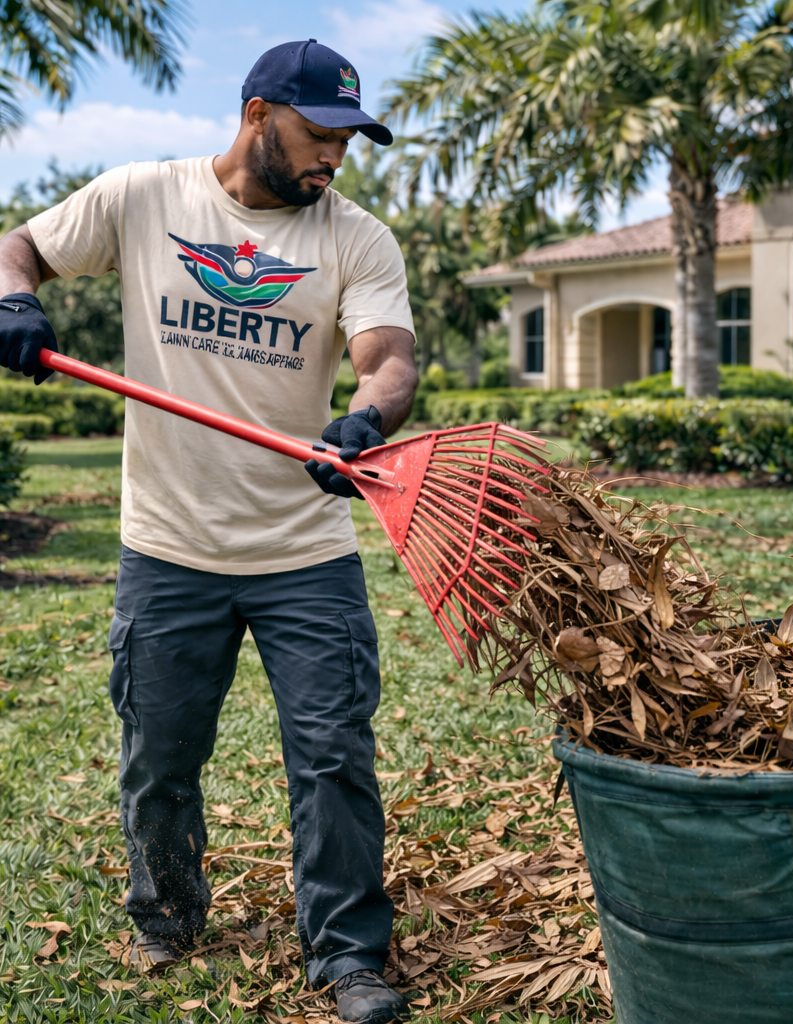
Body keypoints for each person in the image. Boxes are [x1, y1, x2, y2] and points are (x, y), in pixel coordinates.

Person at [0, 40, 418, 1024]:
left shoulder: (356, 237)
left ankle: (350, 955)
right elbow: (19, 244)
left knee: (332, 756)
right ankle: (168, 914)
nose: (335, 158)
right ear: (257, 114)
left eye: (348, 141)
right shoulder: (143, 197)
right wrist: (14, 298)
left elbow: (388, 358)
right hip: (168, 547)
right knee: (160, 755)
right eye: (319, 135)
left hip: (304, 554)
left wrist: (366, 418)